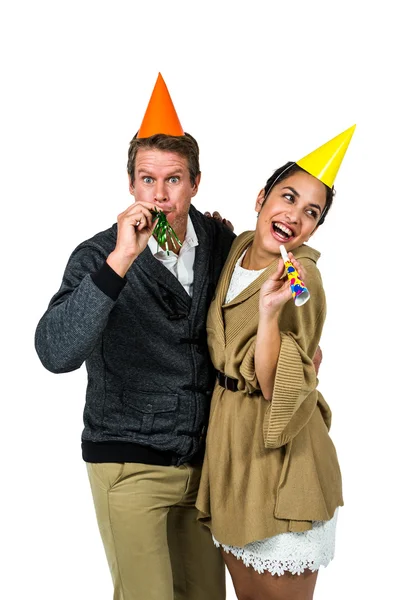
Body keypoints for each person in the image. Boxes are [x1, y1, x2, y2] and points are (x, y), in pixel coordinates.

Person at [34, 73, 235, 600]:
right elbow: (55, 353)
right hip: (128, 463)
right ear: (130, 184)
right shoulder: (98, 255)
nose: (161, 194)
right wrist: (121, 260)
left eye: (174, 180)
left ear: (195, 182)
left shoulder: (219, 240)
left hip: (204, 467)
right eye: (148, 179)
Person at [196, 126, 356, 600]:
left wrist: (269, 314)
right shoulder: (239, 246)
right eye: (288, 197)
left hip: (281, 457)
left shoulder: (300, 279)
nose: (295, 216)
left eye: (312, 212)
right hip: (231, 451)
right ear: (261, 197)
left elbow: (276, 386)